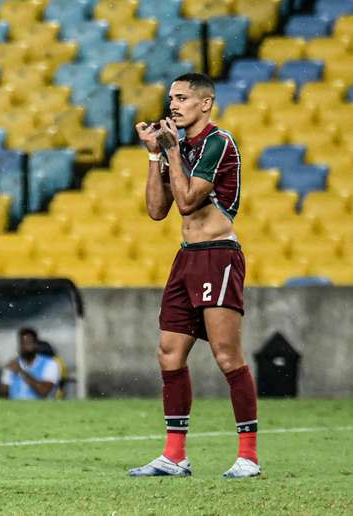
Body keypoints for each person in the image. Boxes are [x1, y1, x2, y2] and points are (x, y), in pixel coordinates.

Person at [129, 73, 258, 479]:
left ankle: (248, 457)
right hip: (186, 257)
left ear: (206, 103)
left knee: (225, 355)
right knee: (168, 352)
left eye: (182, 98)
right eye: (171, 98)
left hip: (218, 255)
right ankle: (174, 455)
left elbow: (186, 202)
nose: (174, 105)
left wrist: (171, 153)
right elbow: (156, 210)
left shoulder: (219, 142)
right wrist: (155, 155)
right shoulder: (179, 146)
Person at [0, 328, 60, 400]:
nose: (25, 347)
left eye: (28, 343)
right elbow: (4, 393)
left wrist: (21, 372)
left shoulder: (50, 364)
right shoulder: (14, 364)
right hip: (15, 408)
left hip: (40, 409)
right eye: (22, 344)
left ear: (36, 345)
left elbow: (44, 391)